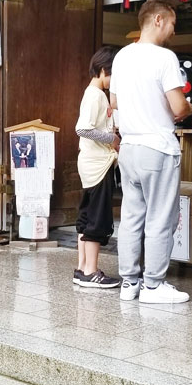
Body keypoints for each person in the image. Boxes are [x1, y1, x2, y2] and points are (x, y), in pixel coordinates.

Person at [109, 0, 192, 303]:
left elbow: (115, 102)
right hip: (157, 147)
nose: (172, 30)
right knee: (160, 218)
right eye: (171, 23)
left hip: (129, 148)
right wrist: (187, 107)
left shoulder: (121, 57)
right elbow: (178, 106)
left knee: (131, 217)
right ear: (157, 20)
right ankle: (154, 285)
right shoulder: (165, 58)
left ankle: (129, 283)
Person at [73, 46, 121, 289]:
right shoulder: (96, 95)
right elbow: (83, 128)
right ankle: (91, 271)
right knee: (97, 219)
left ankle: (82, 268)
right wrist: (111, 138)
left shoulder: (92, 93)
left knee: (86, 216)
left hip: (90, 163)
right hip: (98, 166)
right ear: (104, 71)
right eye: (114, 74)